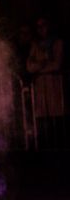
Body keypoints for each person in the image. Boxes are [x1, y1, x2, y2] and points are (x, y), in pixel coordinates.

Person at [26, 17, 65, 149]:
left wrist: (40, 67)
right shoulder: (35, 45)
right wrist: (42, 66)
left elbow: (57, 64)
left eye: (44, 25)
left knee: (57, 117)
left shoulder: (57, 42)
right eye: (38, 27)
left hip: (54, 85)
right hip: (41, 87)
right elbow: (29, 66)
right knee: (43, 119)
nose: (41, 29)